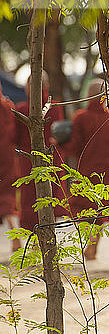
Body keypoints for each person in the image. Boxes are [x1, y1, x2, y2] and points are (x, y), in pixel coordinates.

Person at [61, 79, 109, 260]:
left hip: (88, 171)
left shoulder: (82, 117)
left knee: (87, 208)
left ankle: (91, 243)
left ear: (88, 95)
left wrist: (59, 144)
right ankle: (93, 243)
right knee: (102, 207)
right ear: (105, 97)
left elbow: (74, 146)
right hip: (108, 172)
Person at [14, 73, 67, 231]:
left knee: (31, 198)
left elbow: (14, 137)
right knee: (52, 194)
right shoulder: (55, 107)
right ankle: (50, 236)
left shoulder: (22, 109)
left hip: (28, 158)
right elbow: (59, 134)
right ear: (46, 86)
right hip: (51, 156)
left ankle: (35, 241)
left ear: (28, 88)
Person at [0, 82, 21, 251]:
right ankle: (15, 236)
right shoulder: (8, 106)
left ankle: (15, 236)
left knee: (4, 199)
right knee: (8, 196)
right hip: (8, 155)